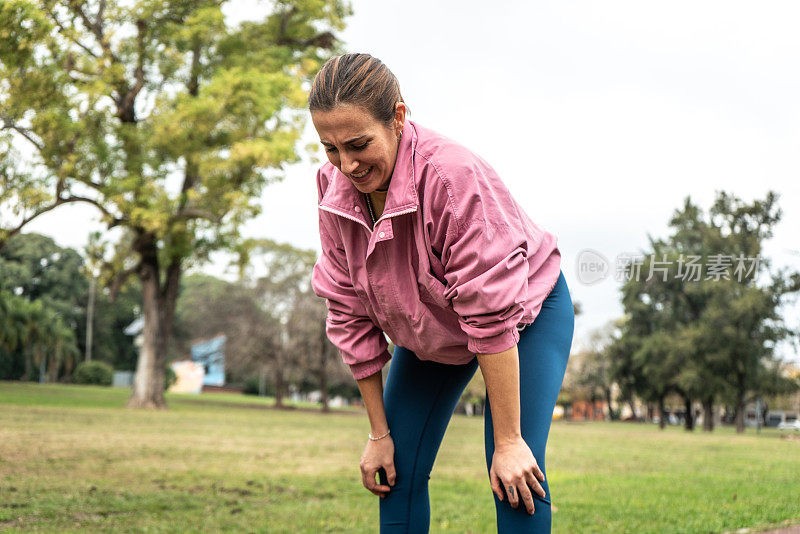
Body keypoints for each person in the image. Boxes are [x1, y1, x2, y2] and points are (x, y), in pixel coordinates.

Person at [309, 53, 574, 533]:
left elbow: (490, 314)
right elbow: (348, 310)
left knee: (514, 474)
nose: (346, 164)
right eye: (329, 148)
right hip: (430, 328)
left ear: (398, 117)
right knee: (397, 471)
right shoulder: (333, 189)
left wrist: (510, 441)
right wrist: (378, 433)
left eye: (358, 144)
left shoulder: (452, 177)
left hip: (522, 316)